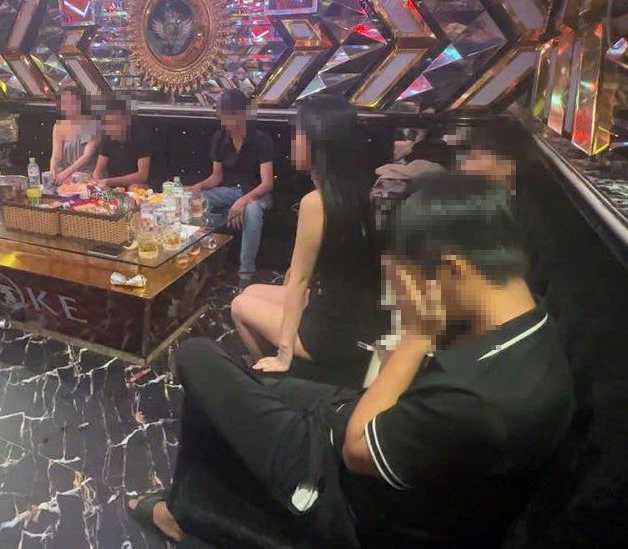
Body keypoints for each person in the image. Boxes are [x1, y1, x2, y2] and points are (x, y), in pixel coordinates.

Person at [127, 172, 575, 548]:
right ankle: (194, 509)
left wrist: (419, 332)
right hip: (359, 421)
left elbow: (357, 451)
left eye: (403, 283)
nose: (400, 297)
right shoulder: (529, 323)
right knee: (248, 386)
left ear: (452, 270)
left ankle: (186, 516)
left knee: (197, 356)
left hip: (342, 492)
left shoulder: (480, 399)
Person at [230, 95, 382, 386]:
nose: (293, 141)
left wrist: (284, 353)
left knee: (239, 305)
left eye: (298, 133)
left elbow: (299, 282)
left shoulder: (316, 202)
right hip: (353, 315)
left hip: (331, 334)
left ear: (317, 143)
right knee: (251, 291)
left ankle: (275, 380)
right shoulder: (359, 190)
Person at [191, 89, 275, 282]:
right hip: (228, 191)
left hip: (256, 193)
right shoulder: (220, 137)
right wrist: (197, 187)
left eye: (229, 115)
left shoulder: (261, 139)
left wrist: (242, 202)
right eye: (222, 115)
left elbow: (267, 184)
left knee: (252, 210)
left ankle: (245, 273)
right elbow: (216, 177)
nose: (224, 120)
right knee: (195, 200)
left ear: (242, 113)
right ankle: (202, 264)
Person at [92, 96, 151, 189]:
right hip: (114, 185)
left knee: (134, 187)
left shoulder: (141, 137)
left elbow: (142, 176)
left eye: (113, 122)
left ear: (126, 120)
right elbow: (98, 170)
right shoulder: (107, 138)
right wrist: (98, 183)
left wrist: (110, 181)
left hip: (139, 184)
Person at [50, 86, 101, 184]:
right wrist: (53, 169)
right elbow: (56, 156)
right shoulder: (59, 126)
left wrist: (66, 173)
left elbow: (87, 156)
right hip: (65, 174)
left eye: (72, 102)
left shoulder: (92, 124)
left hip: (86, 174)